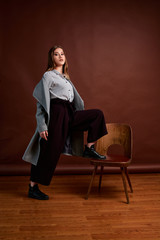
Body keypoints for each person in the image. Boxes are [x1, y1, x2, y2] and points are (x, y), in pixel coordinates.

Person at [22, 45, 107, 200]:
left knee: (97, 115)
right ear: (51, 58)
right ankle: (33, 187)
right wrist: (42, 126)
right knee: (47, 150)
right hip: (56, 114)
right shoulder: (48, 76)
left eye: (62, 53)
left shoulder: (66, 78)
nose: (60, 56)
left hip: (69, 112)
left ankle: (89, 148)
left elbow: (73, 99)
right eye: (56, 54)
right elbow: (41, 103)